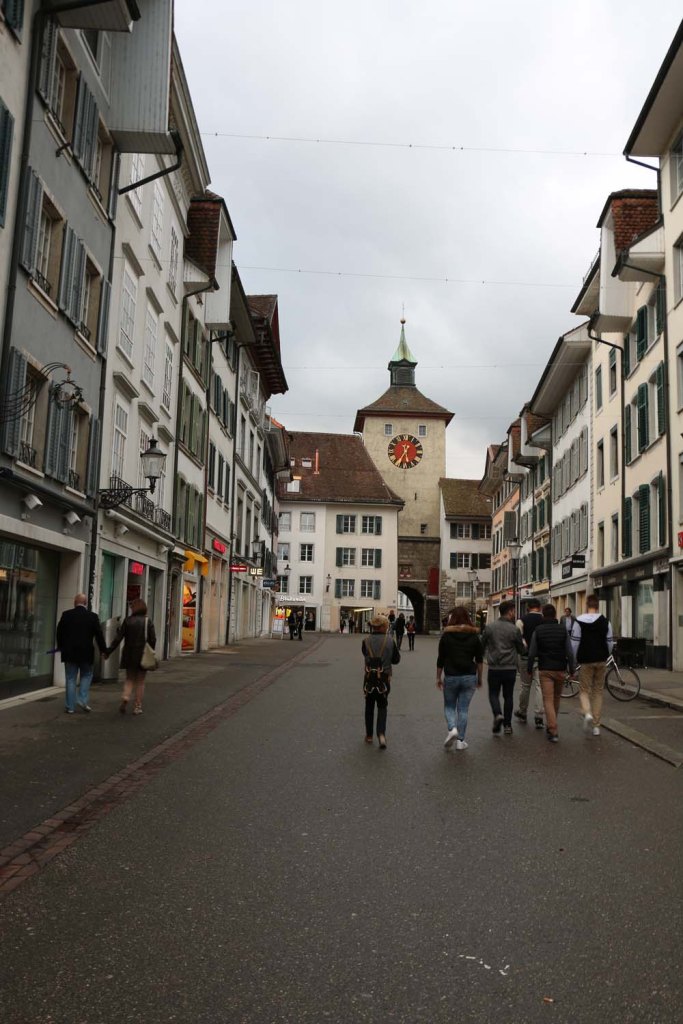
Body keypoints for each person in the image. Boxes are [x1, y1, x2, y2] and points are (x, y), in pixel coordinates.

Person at [527, 604, 576, 743]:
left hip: (545, 669)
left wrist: (529, 669)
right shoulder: (563, 629)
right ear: (555, 615)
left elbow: (531, 653)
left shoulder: (538, 630)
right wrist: (572, 670)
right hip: (560, 668)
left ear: (543, 615)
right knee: (556, 699)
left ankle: (553, 729)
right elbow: (570, 652)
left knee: (547, 700)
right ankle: (551, 724)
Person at [436, 607, 483, 751]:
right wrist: (479, 678)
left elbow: (441, 659)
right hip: (469, 675)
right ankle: (461, 741)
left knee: (449, 706)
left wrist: (438, 677)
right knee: (463, 709)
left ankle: (452, 729)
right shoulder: (475, 637)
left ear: (452, 619)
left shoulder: (446, 636)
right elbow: (480, 660)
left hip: (451, 675)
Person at [55, 593, 108, 714]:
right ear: (85, 603)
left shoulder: (66, 615)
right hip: (86, 652)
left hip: (69, 652)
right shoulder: (92, 617)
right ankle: (82, 699)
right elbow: (99, 635)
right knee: (87, 675)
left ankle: (70, 707)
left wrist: (60, 646)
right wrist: (104, 650)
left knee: (70, 678)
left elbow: (59, 632)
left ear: (75, 602)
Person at [570, 595, 614, 737]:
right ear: (597, 606)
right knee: (598, 691)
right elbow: (609, 642)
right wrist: (606, 654)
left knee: (584, 689)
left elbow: (575, 642)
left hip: (586, 660)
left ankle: (587, 712)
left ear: (586, 605)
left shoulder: (578, 621)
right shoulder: (605, 621)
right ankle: (596, 726)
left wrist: (574, 659)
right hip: (601, 659)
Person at [481, 600, 525, 735]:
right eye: (513, 611)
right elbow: (521, 650)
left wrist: (485, 657)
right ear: (510, 611)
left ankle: (497, 714)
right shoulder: (515, 629)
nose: (514, 614)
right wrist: (523, 644)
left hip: (494, 667)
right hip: (510, 668)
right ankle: (507, 725)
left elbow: (482, 645)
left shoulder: (490, 627)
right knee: (508, 696)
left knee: (493, 694)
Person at [108, 599, 157, 716]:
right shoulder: (147, 621)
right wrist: (151, 650)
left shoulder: (128, 621)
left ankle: (126, 696)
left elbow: (118, 638)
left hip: (129, 654)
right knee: (140, 682)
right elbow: (153, 638)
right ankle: (137, 706)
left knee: (129, 679)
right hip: (143, 654)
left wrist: (108, 651)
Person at [361, 614, 400, 749]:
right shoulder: (390, 641)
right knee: (382, 705)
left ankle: (369, 735)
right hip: (384, 677)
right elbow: (396, 660)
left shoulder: (366, 640)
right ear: (384, 627)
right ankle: (381, 734)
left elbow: (364, 653)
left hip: (369, 677)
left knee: (369, 705)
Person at [514, 598, 545, 729]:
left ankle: (522, 712)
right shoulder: (545, 620)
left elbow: (517, 639)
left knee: (525, 686)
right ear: (540, 607)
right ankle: (539, 716)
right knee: (539, 687)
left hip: (525, 658)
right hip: (542, 658)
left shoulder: (521, 621)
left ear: (528, 607)